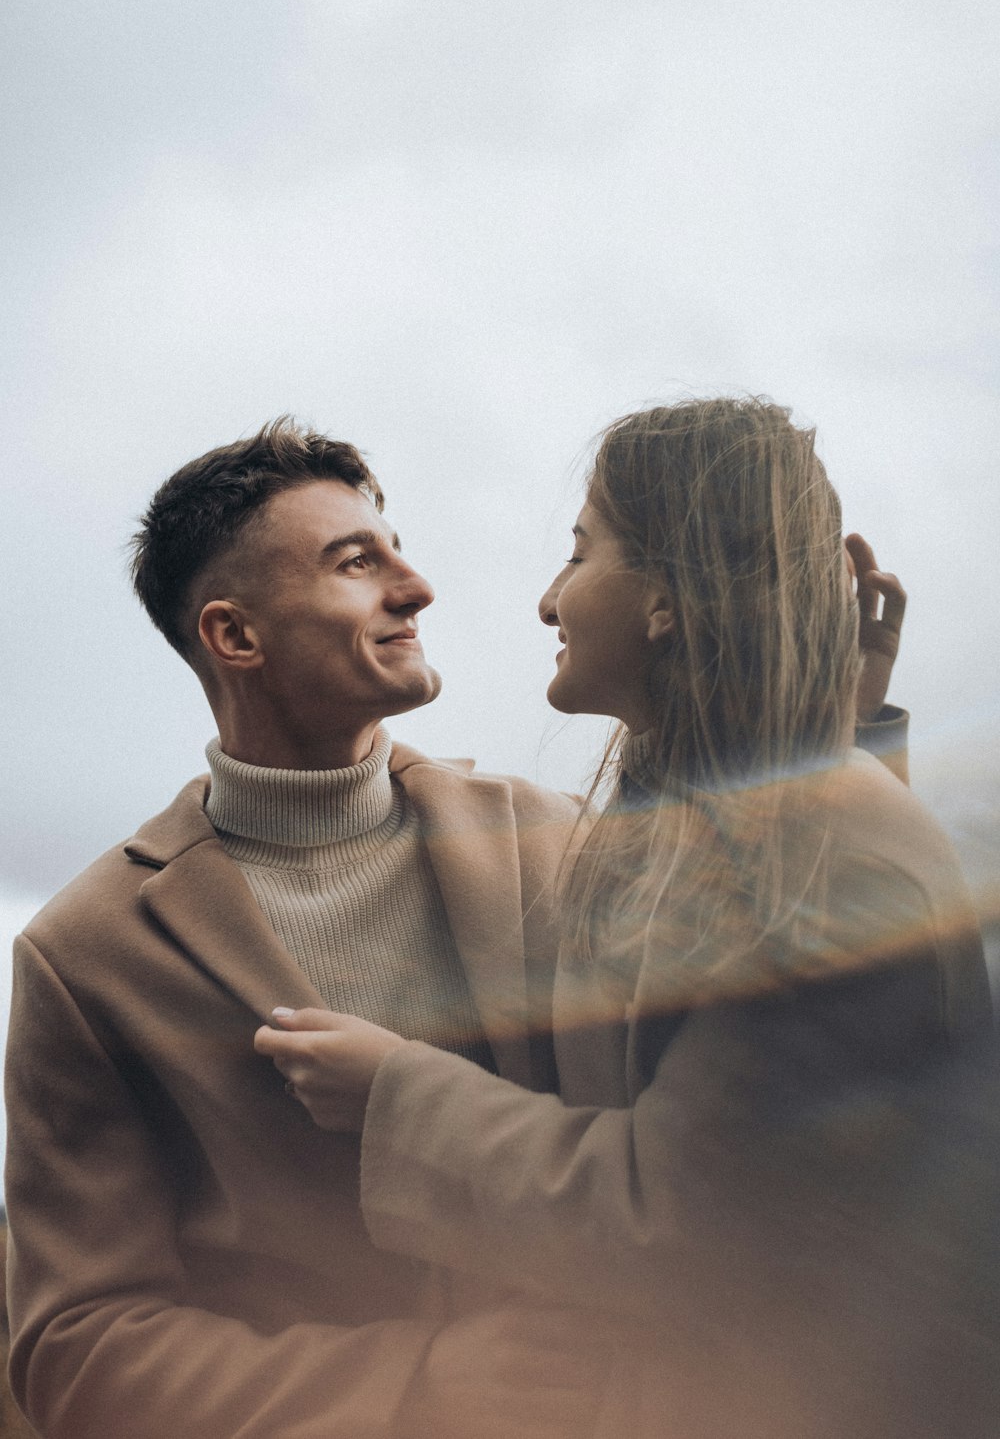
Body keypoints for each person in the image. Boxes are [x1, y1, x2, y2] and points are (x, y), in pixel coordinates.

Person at [5, 411, 906, 1439]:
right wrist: (413, 1384)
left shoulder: (554, 836)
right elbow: (77, 1349)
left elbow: (792, 1026)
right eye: (356, 562)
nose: (416, 586)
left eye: (398, 551)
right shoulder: (85, 954)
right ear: (234, 636)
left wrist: (832, 740)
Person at [255, 398, 998, 1439]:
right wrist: (835, 740)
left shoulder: (816, 847)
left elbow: (689, 1227)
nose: (550, 600)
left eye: (580, 550)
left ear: (664, 599)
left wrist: (395, 1096)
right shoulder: (742, 829)